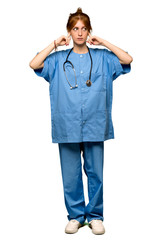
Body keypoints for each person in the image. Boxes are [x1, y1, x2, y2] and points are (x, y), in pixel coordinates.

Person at [29, 7, 133, 235]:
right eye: (75, 28)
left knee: (95, 172)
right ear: (69, 31)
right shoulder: (57, 59)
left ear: (89, 32)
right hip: (68, 124)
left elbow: (127, 59)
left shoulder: (103, 58)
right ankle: (76, 216)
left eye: (84, 28)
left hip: (95, 123)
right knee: (71, 174)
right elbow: (34, 64)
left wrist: (103, 42)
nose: (79, 33)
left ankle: (95, 216)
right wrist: (55, 43)